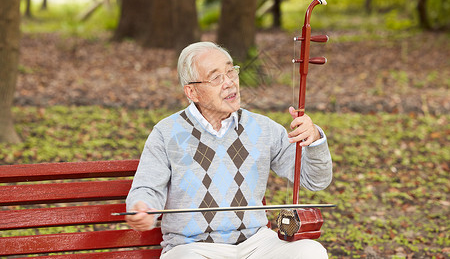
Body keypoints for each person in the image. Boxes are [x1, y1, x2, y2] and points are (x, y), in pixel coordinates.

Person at [125, 41, 333, 259]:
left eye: (231, 71)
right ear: (192, 91)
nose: (229, 82)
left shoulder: (263, 128)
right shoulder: (166, 133)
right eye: (216, 77)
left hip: (257, 244)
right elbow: (147, 187)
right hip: (194, 248)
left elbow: (315, 181)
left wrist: (315, 139)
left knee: (311, 251)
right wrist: (142, 207)